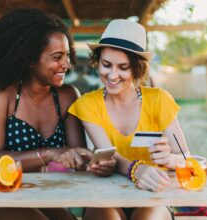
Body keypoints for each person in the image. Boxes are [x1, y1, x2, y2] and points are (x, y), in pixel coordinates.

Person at [0, 7, 113, 220]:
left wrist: (91, 162)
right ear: (29, 59)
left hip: (36, 192)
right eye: (57, 57)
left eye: (67, 55)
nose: (67, 64)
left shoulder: (67, 95)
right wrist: (47, 154)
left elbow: (74, 156)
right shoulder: (1, 94)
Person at [69, 19, 190, 220]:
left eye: (123, 67)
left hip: (153, 193)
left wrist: (170, 159)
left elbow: (187, 157)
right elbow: (111, 156)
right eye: (106, 65)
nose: (112, 75)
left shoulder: (159, 99)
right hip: (106, 195)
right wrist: (136, 169)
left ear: (137, 69)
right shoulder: (88, 104)